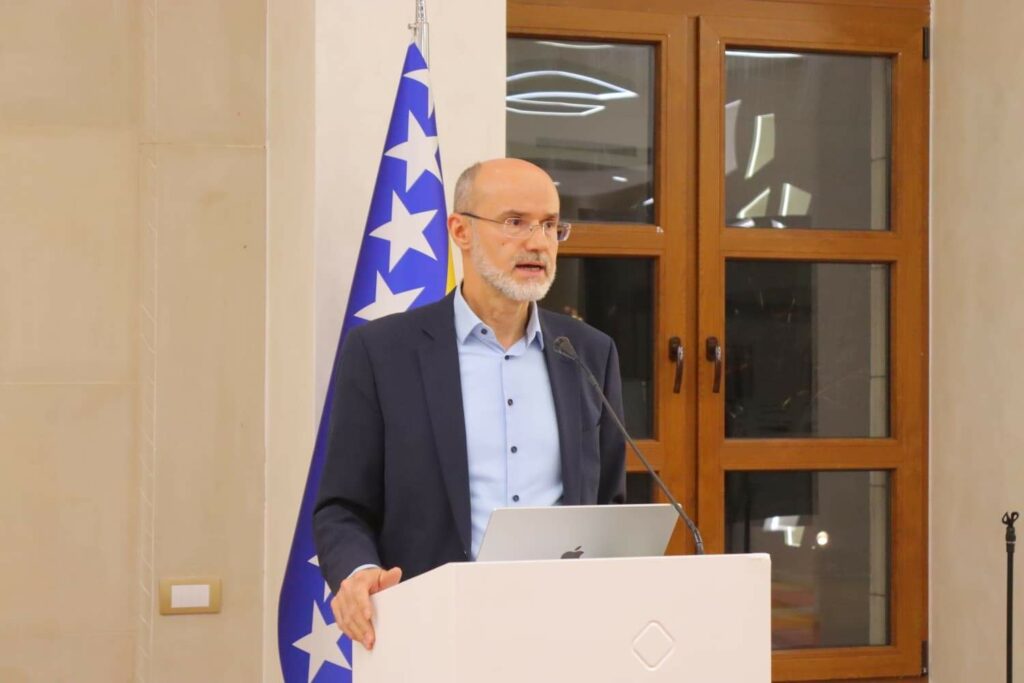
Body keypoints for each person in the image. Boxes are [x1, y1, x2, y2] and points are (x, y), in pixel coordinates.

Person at [313, 158, 626, 650]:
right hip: (431, 629)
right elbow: (342, 506)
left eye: (550, 225)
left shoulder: (588, 353)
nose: (538, 243)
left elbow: (608, 503)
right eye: (515, 222)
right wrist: (358, 570)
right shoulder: (383, 353)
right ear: (460, 231)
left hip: (562, 631)